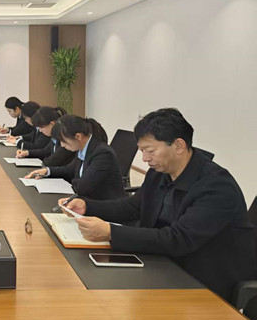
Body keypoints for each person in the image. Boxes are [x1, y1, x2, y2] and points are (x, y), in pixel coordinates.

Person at [59, 108, 257, 303]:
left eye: (150, 150)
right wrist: (88, 207)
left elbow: (178, 239)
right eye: (142, 151)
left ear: (178, 145)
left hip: (205, 282)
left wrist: (110, 232)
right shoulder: (160, 173)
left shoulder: (217, 187)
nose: (145, 159)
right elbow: (133, 207)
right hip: (163, 263)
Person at [26, 115, 126, 200]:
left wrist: (70, 183)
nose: (62, 145)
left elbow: (83, 187)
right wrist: (47, 171)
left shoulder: (103, 154)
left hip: (104, 207)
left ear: (78, 136)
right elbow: (69, 170)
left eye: (63, 141)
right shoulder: (82, 148)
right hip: (88, 201)